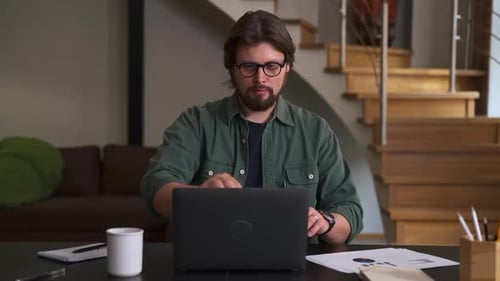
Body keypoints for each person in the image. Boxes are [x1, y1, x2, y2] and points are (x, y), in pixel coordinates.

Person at [141, 10, 363, 244]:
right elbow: (155, 186)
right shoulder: (196, 123)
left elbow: (350, 213)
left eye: (272, 66)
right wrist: (199, 196)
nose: (260, 78)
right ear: (232, 67)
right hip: (209, 261)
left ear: (287, 66)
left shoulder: (316, 132)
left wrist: (324, 221)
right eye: (249, 67)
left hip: (292, 266)